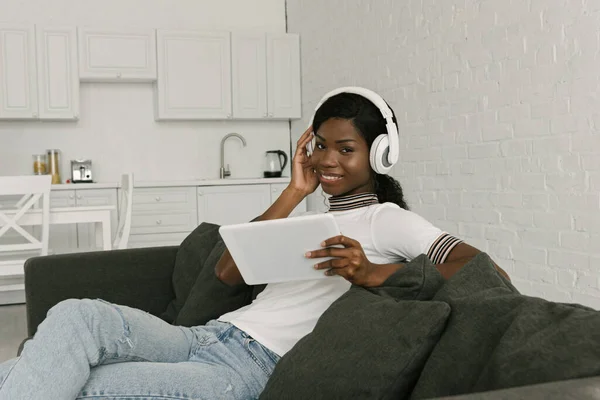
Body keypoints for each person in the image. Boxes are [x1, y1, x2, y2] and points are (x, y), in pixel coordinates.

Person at [0, 88, 508, 400]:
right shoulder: (307, 215)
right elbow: (226, 272)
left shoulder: (388, 222)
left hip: (248, 371)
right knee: (73, 317)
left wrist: (372, 274)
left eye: (346, 149)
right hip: (203, 339)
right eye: (321, 146)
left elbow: (480, 267)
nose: (329, 160)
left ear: (379, 153)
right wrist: (293, 191)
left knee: (62, 383)